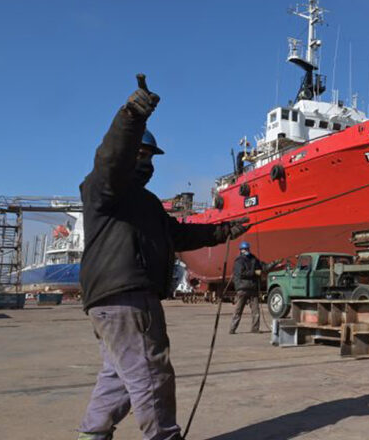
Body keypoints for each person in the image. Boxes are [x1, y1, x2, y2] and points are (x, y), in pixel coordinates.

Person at [77, 78, 249, 440]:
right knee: (151, 376)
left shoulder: (146, 204)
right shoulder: (104, 187)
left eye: (150, 158)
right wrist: (133, 115)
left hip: (111, 303)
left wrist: (223, 231)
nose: (147, 163)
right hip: (127, 298)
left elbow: (179, 235)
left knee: (119, 378)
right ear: (128, 154)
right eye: (140, 155)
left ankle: (91, 435)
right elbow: (111, 157)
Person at [229, 241, 269, 334]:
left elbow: (262, 266)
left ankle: (255, 329)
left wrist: (274, 264)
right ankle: (232, 329)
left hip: (253, 288)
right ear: (241, 250)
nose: (246, 250)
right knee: (238, 310)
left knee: (256, 310)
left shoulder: (253, 259)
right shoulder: (239, 261)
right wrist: (254, 272)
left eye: (247, 249)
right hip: (242, 288)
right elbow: (241, 273)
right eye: (244, 249)